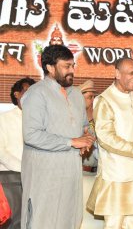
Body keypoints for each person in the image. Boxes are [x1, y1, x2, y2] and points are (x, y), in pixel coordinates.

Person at [21, 45, 95, 229]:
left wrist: (87, 138)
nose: (71, 71)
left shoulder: (77, 94)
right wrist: (71, 142)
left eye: (72, 65)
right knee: (43, 221)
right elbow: (31, 135)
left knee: (70, 220)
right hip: (45, 174)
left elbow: (85, 127)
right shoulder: (36, 93)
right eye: (66, 66)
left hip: (71, 171)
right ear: (50, 68)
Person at [86, 58, 133, 229]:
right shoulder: (104, 100)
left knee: (132, 224)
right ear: (117, 74)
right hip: (116, 174)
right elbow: (106, 138)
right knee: (114, 223)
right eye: (131, 73)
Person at [0, 77, 35, 229]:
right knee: (13, 222)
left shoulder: (39, 121)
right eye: (27, 92)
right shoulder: (3, 118)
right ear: (16, 94)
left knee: (31, 223)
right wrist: (23, 168)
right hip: (10, 178)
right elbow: (1, 152)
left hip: (35, 179)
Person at [78, 80, 104, 229]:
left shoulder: (100, 118)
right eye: (89, 96)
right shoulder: (73, 119)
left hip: (98, 175)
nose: (93, 100)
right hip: (80, 175)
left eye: (94, 96)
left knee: (96, 220)